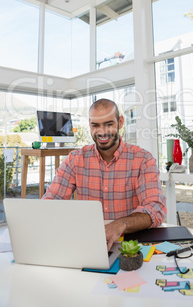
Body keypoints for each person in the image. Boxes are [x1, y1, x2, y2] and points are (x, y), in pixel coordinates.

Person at [43, 98, 167, 251]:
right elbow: (51, 202)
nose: (102, 132)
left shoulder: (143, 159)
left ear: (120, 122)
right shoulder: (75, 159)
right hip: (88, 243)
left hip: (131, 246)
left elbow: (156, 208)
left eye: (108, 124)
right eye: (95, 125)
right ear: (89, 124)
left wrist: (120, 224)